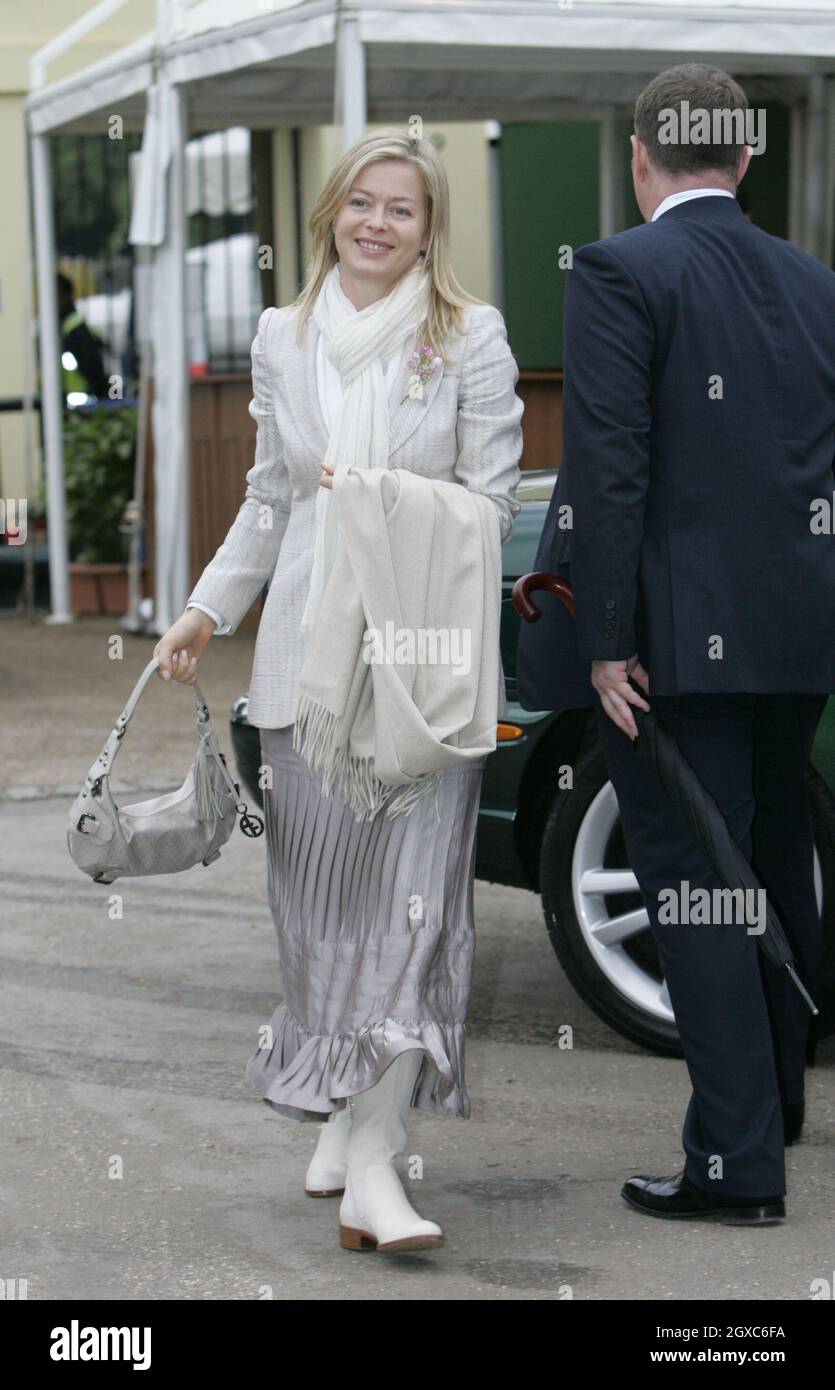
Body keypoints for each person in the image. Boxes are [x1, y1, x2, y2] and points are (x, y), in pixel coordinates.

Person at [153, 129, 523, 1253]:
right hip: (304, 678)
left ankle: (374, 1162)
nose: (376, 223)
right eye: (360, 203)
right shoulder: (283, 336)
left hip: (416, 679)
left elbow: (492, 505)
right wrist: (207, 607)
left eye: (401, 210)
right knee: (322, 919)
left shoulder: (471, 337)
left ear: (429, 228)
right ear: (329, 214)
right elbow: (270, 497)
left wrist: (371, 491)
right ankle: (338, 1105)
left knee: (411, 922)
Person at [519, 63, 835, 1224]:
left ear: (643, 159)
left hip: (673, 645)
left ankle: (736, 1165)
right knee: (775, 850)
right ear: (744, 159)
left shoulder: (616, 269)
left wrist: (602, 644)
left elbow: (609, 468)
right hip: (798, 629)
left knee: (700, 886)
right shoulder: (816, 282)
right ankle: (777, 1107)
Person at [57, 273, 109, 401]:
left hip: (82, 407)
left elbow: (94, 372)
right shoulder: (63, 328)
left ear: (67, 296)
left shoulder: (75, 331)